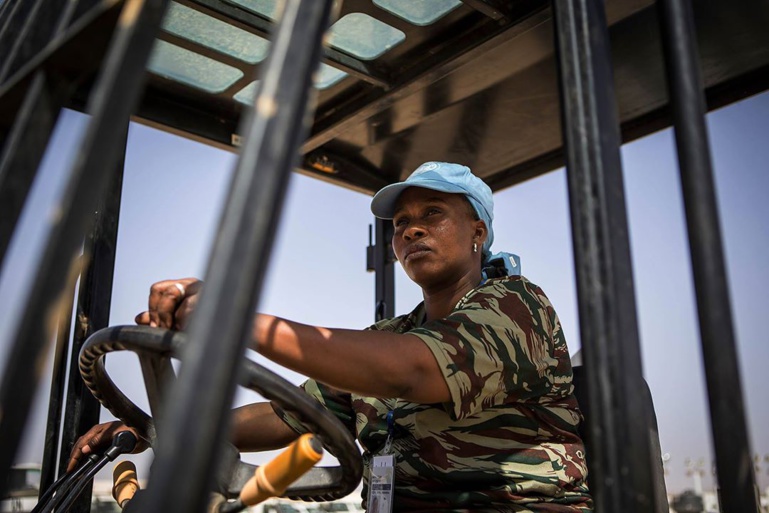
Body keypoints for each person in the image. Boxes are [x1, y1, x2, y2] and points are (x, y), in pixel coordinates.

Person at [69, 162, 592, 512]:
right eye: (401, 223)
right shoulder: (389, 336)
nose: (411, 230)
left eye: (432, 214)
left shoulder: (517, 306)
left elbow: (412, 370)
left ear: (478, 231)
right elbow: (285, 413)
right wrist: (155, 427)